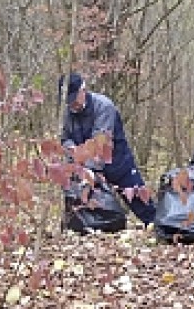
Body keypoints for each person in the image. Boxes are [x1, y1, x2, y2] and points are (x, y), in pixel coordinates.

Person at [59, 72, 156, 226]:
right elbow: (64, 138)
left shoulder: (104, 107)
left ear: (83, 91)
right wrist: (72, 151)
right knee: (79, 211)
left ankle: (159, 229)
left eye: (74, 99)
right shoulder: (67, 114)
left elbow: (100, 144)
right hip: (84, 168)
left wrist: (90, 168)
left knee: (142, 204)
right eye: (68, 101)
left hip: (117, 163)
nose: (73, 105)